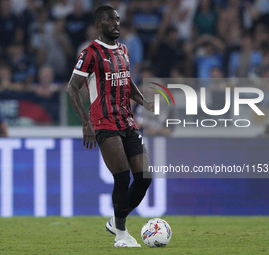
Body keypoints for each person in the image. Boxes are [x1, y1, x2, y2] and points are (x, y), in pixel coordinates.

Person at [66, 5, 153, 248]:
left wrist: (144, 101)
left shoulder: (123, 50)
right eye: (111, 20)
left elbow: (127, 81)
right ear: (100, 24)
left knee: (144, 177)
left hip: (127, 120)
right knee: (122, 176)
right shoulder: (90, 52)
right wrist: (85, 122)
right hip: (104, 122)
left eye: (117, 19)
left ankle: (116, 220)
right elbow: (72, 87)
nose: (117, 23)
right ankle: (122, 235)